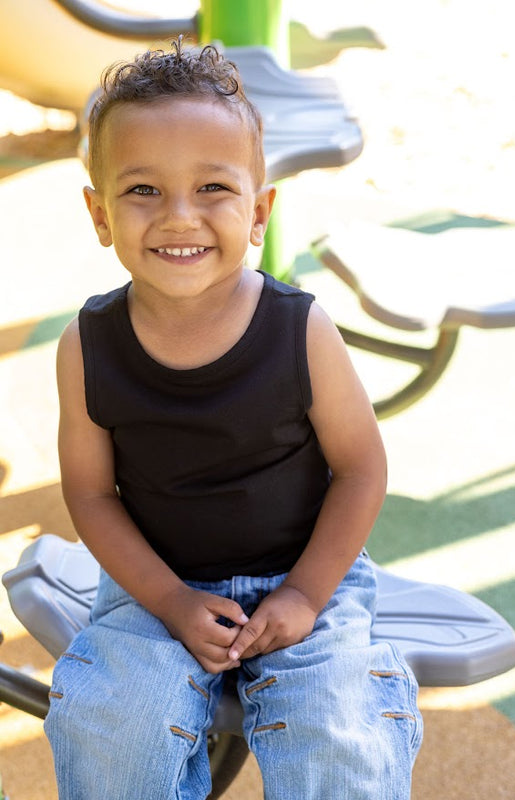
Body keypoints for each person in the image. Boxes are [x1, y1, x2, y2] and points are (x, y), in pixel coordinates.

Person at [44, 39, 422, 799]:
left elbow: (360, 468)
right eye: (142, 189)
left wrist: (305, 595)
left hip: (305, 570)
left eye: (212, 186)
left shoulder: (299, 328)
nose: (177, 216)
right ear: (99, 213)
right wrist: (170, 600)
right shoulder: (87, 345)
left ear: (258, 211)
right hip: (158, 582)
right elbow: (91, 496)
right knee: (115, 720)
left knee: (335, 728)